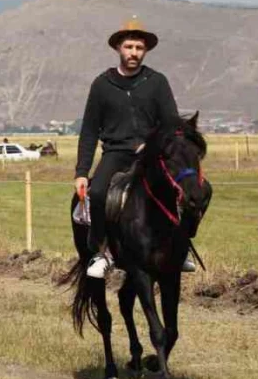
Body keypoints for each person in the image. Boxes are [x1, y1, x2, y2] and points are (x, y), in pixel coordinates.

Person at [74, 17, 194, 279]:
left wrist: (153, 146)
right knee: (98, 192)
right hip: (116, 154)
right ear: (118, 47)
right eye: (129, 47)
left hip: (151, 156)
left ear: (145, 51)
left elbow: (171, 123)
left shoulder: (157, 82)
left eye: (139, 48)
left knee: (183, 190)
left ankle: (182, 250)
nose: (134, 53)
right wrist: (81, 172)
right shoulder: (102, 85)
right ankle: (100, 253)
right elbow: (90, 131)